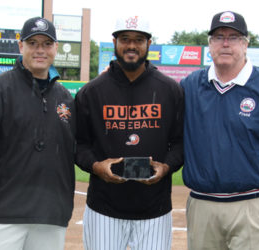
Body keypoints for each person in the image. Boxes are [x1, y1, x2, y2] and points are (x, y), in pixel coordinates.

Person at [180, 11, 259, 249]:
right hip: (202, 205)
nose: (225, 43)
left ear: (246, 44)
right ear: (210, 44)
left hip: (255, 205)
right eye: (218, 37)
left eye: (234, 37)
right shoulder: (190, 86)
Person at [0, 17, 75, 250]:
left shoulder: (65, 98)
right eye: (33, 43)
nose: (40, 50)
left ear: (56, 49)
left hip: (51, 214)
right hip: (4, 212)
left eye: (47, 44)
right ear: (21, 47)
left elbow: (77, 150)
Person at [75, 15, 184, 250]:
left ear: (149, 43)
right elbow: (78, 145)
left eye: (138, 39)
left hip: (154, 208)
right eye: (125, 39)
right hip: (104, 207)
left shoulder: (169, 90)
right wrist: (95, 166)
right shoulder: (92, 92)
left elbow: (180, 143)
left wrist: (167, 167)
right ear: (114, 42)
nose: (132, 46)